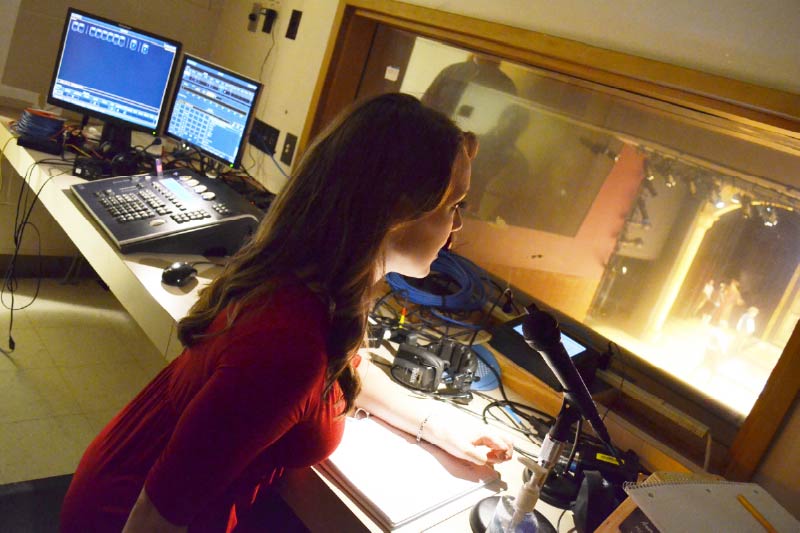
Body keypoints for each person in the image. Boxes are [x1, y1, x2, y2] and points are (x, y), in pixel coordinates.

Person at [60, 93, 514, 532]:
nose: (456, 228)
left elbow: (342, 374)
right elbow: (152, 522)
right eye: (453, 206)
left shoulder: (314, 283)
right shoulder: (288, 346)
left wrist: (435, 426)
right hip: (123, 518)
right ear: (393, 210)